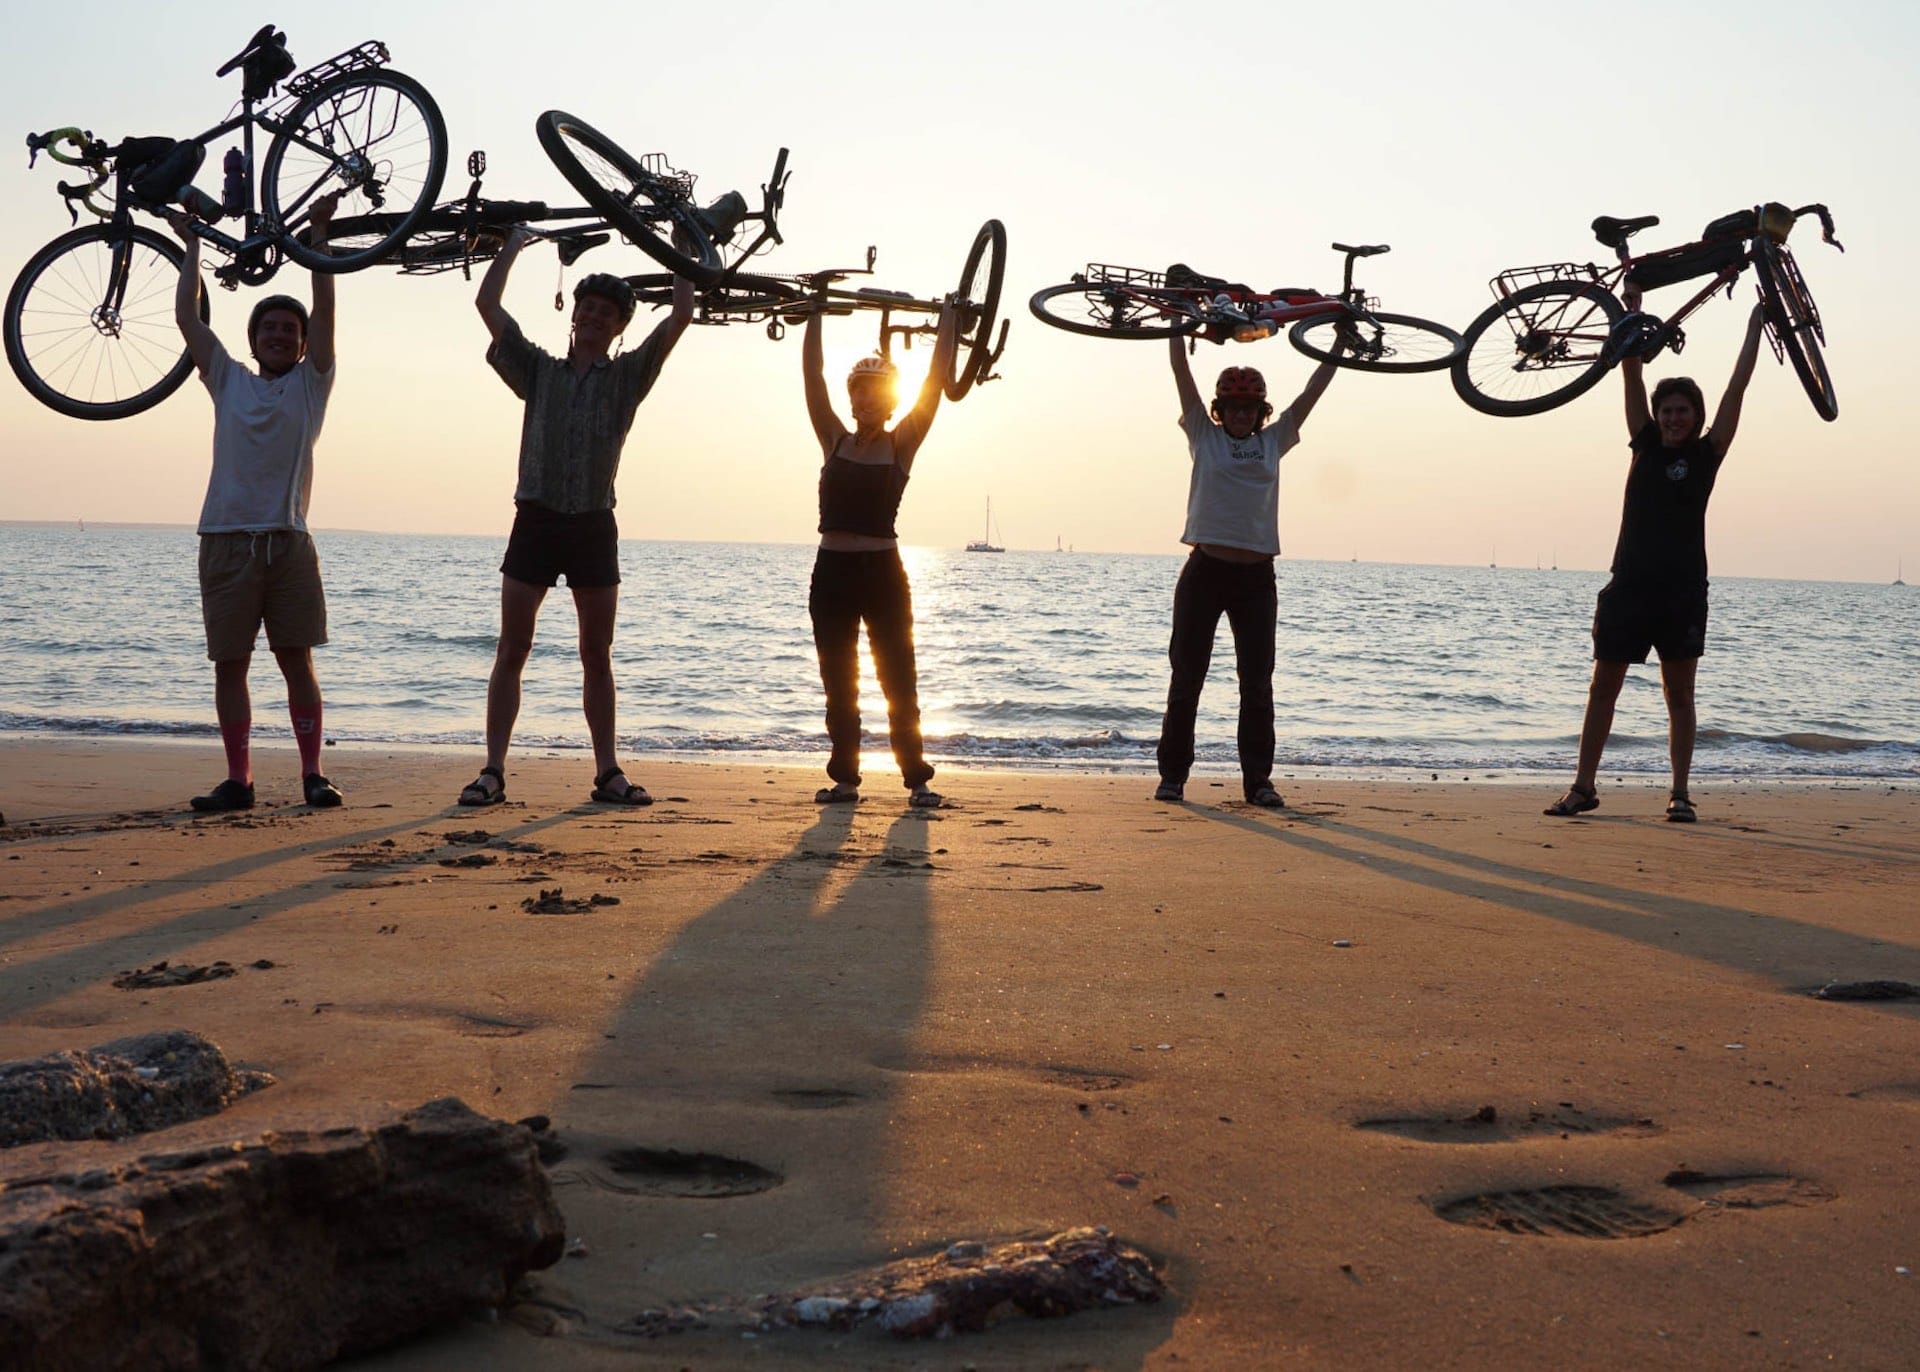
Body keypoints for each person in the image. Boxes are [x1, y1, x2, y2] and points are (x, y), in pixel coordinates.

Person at [457, 228, 695, 807]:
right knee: (512, 648)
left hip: (592, 524)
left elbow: (681, 314)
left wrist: (683, 248)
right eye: (586, 307)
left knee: (597, 654)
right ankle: (492, 772)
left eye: (605, 312)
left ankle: (608, 773)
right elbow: (487, 306)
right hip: (535, 519)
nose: (592, 316)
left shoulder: (628, 377)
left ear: (619, 326)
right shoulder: (539, 370)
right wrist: (513, 246)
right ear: (573, 317)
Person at [1544, 291, 1767, 822]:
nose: (1672, 418)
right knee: (1603, 689)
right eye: (1667, 410)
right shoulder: (1643, 442)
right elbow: (1631, 373)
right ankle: (1582, 788)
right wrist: (1630, 305)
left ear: (1696, 416)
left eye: (1682, 411)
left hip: (1683, 591)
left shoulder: (1707, 454)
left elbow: (1738, 386)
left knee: (1679, 697)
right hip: (1629, 587)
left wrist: (1756, 327)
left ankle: (1681, 794)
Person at [169, 192, 346, 812]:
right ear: (253, 339)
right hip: (224, 539)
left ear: (301, 346)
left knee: (296, 660)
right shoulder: (228, 379)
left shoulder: (311, 384)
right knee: (231, 665)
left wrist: (318, 238)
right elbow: (188, 321)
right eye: (269, 328)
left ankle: (312, 775)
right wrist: (189, 244)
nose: (280, 335)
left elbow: (325, 310)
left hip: (288, 541)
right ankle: (239, 781)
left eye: (288, 331)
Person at [1154, 333, 1342, 807]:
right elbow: (1181, 375)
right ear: (1220, 410)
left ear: (1261, 413)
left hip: (1256, 580)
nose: (1241, 414)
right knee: (1187, 678)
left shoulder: (1274, 441)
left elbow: (1312, 395)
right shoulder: (1202, 433)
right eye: (1233, 407)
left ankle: (1258, 782)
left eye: (1250, 408)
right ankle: (1173, 776)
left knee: (1256, 683)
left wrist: (1336, 347)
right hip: (1204, 573)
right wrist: (1178, 328)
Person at [801, 298, 958, 808]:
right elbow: (812, 376)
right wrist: (815, 312)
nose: (868, 401)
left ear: (890, 401)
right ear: (852, 399)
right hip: (832, 572)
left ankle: (917, 780)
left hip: (883, 572)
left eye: (877, 394)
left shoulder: (902, 443)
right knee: (838, 681)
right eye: (860, 393)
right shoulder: (833, 439)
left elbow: (935, 384)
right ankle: (845, 779)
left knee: (898, 679)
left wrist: (950, 320)